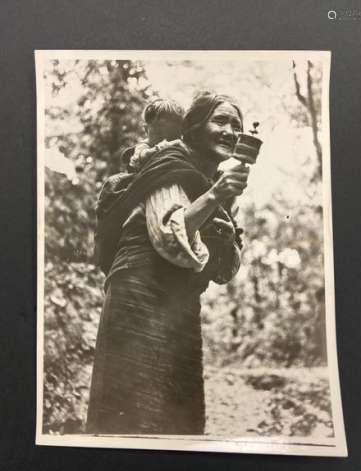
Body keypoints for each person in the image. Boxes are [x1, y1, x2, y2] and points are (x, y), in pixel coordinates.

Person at [86, 91, 249, 435]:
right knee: (128, 411)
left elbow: (224, 270)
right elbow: (167, 235)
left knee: (177, 414)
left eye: (237, 124)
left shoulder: (209, 181)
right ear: (195, 127)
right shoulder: (170, 163)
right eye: (220, 120)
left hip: (180, 301)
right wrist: (217, 194)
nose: (230, 130)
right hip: (138, 292)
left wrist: (225, 204)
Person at [121, 97, 185, 172]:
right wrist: (163, 147)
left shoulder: (182, 144)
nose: (164, 134)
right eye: (157, 128)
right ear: (146, 129)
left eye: (173, 132)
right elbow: (143, 155)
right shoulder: (144, 146)